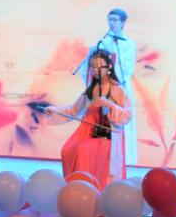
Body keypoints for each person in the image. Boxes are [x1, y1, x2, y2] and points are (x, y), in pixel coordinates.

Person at [48, 49, 132, 188]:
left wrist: (110, 105)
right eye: (93, 66)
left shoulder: (117, 89)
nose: (95, 70)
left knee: (82, 150)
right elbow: (74, 110)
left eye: (99, 66)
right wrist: (54, 110)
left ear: (109, 66)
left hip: (106, 137)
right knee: (68, 150)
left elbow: (127, 115)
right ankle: (75, 187)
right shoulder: (91, 89)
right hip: (88, 132)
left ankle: (87, 187)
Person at [75, 8, 138, 166]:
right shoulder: (101, 43)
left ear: (123, 22)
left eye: (115, 20)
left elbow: (127, 70)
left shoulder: (129, 44)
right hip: (103, 88)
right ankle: (101, 157)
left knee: (119, 120)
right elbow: (89, 68)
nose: (112, 23)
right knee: (101, 121)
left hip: (119, 88)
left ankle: (121, 159)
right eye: (110, 19)